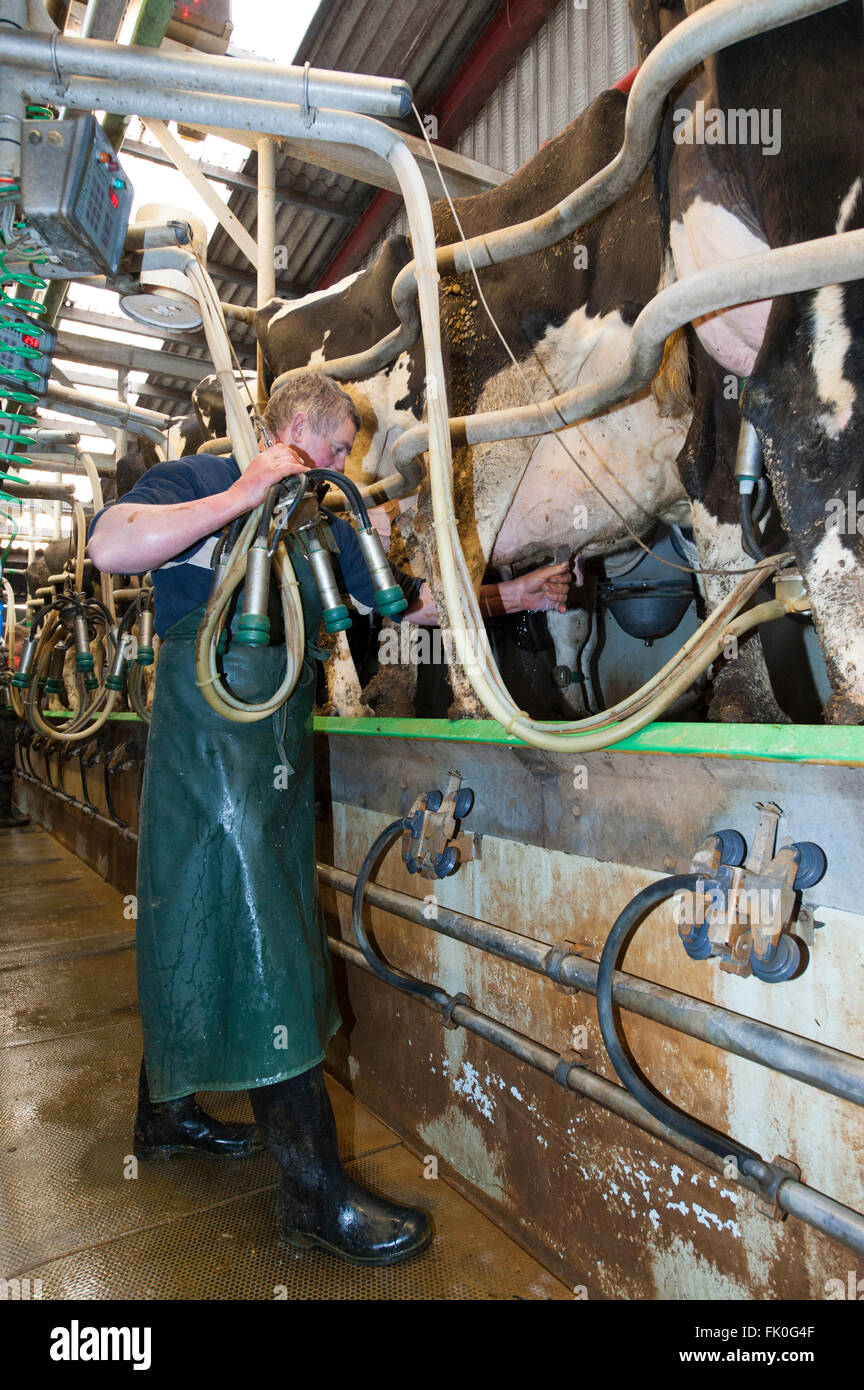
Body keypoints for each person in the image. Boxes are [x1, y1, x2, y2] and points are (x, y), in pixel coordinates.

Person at [87, 370, 570, 1267]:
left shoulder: (323, 527)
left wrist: (521, 598)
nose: (345, 464)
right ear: (299, 428)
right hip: (207, 733)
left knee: (196, 914)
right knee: (257, 926)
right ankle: (313, 1193)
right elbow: (111, 548)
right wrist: (242, 493)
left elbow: (412, 605)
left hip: (268, 740)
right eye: (340, 447)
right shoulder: (196, 478)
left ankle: (165, 1113)